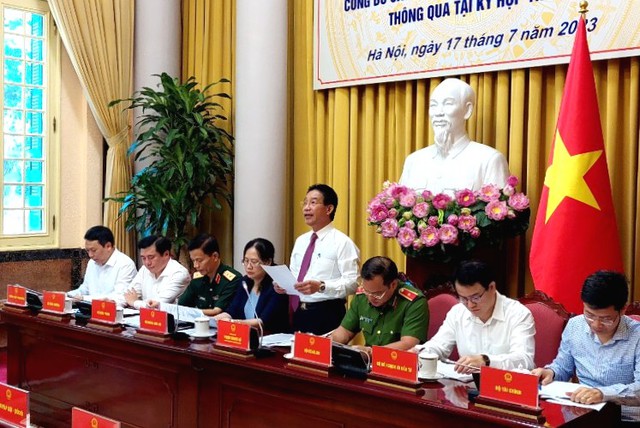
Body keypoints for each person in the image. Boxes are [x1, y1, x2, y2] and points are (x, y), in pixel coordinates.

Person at [532, 271, 640, 424]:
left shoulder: (637, 336)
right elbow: (563, 366)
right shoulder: (575, 326)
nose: (596, 324)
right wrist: (551, 372)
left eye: (606, 319)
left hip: (626, 419)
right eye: (589, 315)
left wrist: (602, 393)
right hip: (584, 414)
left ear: (622, 310)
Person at [415, 260, 535, 372]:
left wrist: (486, 361)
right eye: (463, 298)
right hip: (468, 384)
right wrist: (418, 352)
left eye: (476, 297)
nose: (470, 305)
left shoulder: (518, 314)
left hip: (505, 384)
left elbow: (524, 360)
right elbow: (439, 346)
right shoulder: (458, 312)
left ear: (492, 287)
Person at [399, 78, 509, 194]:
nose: (438, 113)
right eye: (433, 105)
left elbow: (499, 204)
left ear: (467, 110)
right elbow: (398, 203)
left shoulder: (489, 160)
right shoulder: (414, 161)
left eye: (448, 104)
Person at [275, 183, 360, 335]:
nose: (306, 208)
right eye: (305, 203)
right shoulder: (301, 241)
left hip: (327, 313)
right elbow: (295, 275)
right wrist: (284, 285)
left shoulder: (342, 243)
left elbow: (353, 284)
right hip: (299, 311)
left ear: (329, 209)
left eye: (313, 203)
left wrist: (322, 286)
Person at [331, 256, 428, 353]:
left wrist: (371, 352)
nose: (370, 297)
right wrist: (329, 343)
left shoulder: (414, 302)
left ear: (393, 285)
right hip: (368, 360)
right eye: (367, 291)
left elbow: (409, 344)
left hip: (397, 360)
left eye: (377, 294)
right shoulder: (362, 296)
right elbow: (345, 331)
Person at [214, 238, 289, 334]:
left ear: (267, 262)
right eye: (246, 261)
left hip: (270, 338)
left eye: (254, 262)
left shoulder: (277, 286)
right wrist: (212, 320)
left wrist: (233, 323)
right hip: (246, 336)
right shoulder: (244, 282)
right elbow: (231, 311)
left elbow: (263, 321)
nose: (249, 266)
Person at [67, 225, 137, 305]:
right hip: (91, 308)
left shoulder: (125, 264)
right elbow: (85, 289)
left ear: (108, 246)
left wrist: (84, 298)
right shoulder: (92, 263)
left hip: (113, 310)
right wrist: (68, 295)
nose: (90, 255)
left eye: (93, 250)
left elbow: (120, 298)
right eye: (87, 251)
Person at [178, 234, 241, 316]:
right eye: (193, 261)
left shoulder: (232, 279)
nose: (195, 265)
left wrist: (190, 312)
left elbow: (216, 312)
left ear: (215, 256)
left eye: (199, 260)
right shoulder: (197, 279)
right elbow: (181, 306)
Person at [125, 235, 190, 309]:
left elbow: (156, 305)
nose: (147, 263)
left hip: (169, 316)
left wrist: (134, 302)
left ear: (166, 254)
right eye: (143, 258)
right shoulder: (144, 269)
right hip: (146, 315)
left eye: (151, 257)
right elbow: (128, 294)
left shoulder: (179, 273)